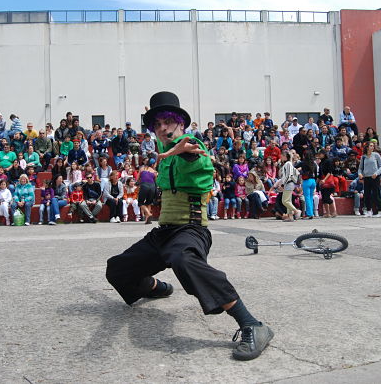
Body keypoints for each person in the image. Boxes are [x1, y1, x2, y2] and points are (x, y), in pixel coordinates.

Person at [106, 91, 273, 362]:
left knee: (182, 258)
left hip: (191, 230)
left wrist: (182, 150)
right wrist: (150, 178)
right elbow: (169, 173)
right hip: (164, 232)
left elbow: (194, 156)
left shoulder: (189, 144)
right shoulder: (166, 155)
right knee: (116, 269)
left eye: (167, 122)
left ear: (180, 123)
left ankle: (252, 324)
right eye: (157, 125)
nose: (162, 128)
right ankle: (156, 287)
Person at [358, 142, 381, 217]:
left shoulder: (376, 155)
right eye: (371, 146)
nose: (372, 147)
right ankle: (369, 210)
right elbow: (360, 168)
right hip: (366, 177)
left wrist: (376, 173)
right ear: (367, 147)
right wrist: (360, 174)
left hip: (375, 177)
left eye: (373, 146)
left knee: (376, 194)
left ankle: (380, 211)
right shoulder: (363, 157)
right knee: (367, 194)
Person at [279, 151, 301, 222]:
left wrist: (283, 184)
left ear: (285, 156)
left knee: (284, 201)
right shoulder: (288, 163)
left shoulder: (288, 164)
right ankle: (290, 217)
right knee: (288, 201)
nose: (281, 157)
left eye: (282, 156)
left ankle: (296, 211)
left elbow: (288, 175)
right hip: (289, 183)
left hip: (288, 183)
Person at [137, 158, 157, 224]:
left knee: (140, 203)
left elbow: (137, 179)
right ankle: (147, 220)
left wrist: (138, 184)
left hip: (144, 186)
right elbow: (156, 181)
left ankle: (148, 213)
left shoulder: (142, 168)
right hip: (152, 186)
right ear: (153, 164)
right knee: (149, 203)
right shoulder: (154, 172)